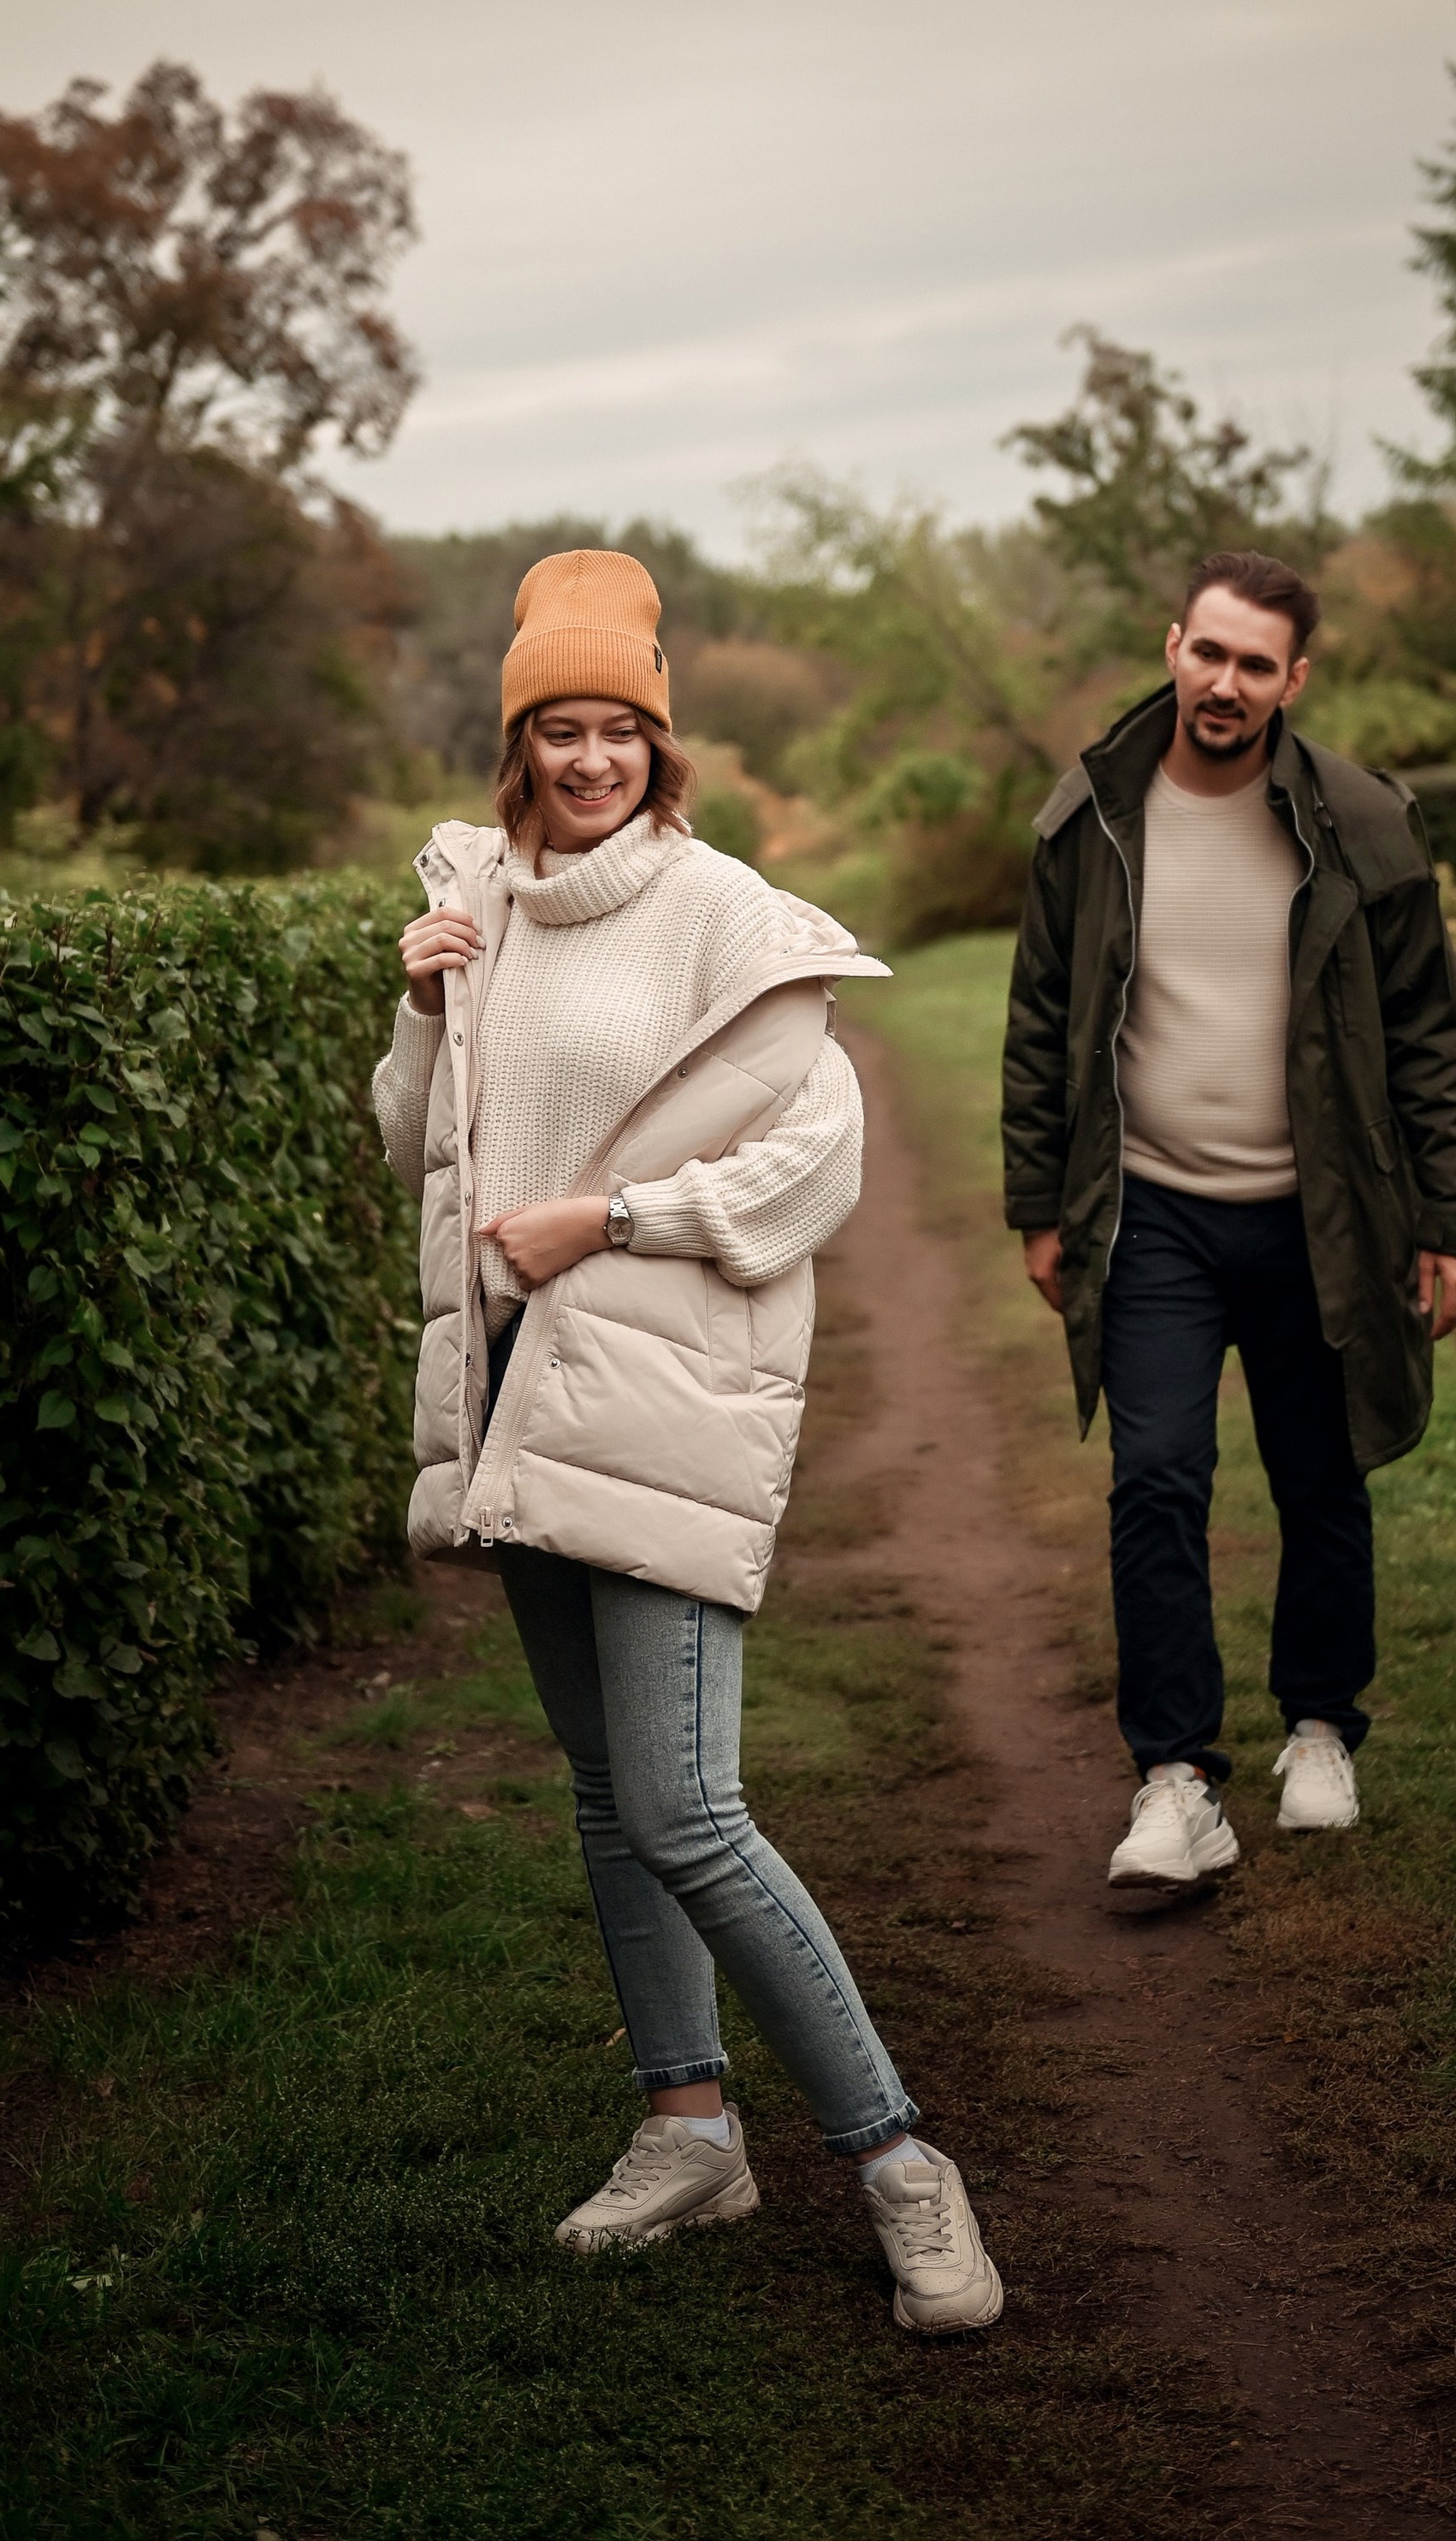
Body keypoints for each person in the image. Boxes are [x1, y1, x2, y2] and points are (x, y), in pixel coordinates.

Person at [372, 546, 1002, 2334]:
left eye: (616, 731)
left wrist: (614, 1221)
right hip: (512, 1393)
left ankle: (894, 2159)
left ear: (662, 743)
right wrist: (423, 1013)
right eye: (556, 732)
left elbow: (817, 1156)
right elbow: (414, 1155)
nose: (587, 761)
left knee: (687, 1805)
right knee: (604, 1794)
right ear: (517, 748)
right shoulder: (470, 905)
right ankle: (687, 2125)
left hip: (652, 1389)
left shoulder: (728, 915)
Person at [1001, 548, 1456, 1886]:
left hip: (1317, 1214)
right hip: (1151, 1211)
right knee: (1155, 1477)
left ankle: (1323, 1726)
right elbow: (1041, 1020)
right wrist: (1039, 1204)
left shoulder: (1360, 822)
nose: (1225, 682)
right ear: (1174, 646)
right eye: (1208, 652)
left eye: (1255, 664)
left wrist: (1455, 1219)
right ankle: (1175, 1778)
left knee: (1320, 1479)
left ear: (1294, 679)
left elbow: (1430, 1035)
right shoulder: (1091, 815)